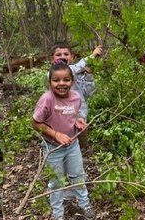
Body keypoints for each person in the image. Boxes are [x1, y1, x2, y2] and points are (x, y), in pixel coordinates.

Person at [32, 62, 93, 220]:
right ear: (50, 82)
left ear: (72, 81)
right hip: (52, 148)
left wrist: (78, 122)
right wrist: (55, 134)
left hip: (72, 145)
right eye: (56, 80)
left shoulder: (76, 97)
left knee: (78, 176)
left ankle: (84, 203)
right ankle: (57, 214)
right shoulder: (46, 99)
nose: (61, 84)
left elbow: (73, 116)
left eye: (66, 80)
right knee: (56, 181)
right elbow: (35, 123)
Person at [50, 42, 101, 121]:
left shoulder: (78, 75)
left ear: (72, 57)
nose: (62, 57)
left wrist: (88, 76)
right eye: (58, 55)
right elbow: (74, 69)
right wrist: (92, 56)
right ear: (52, 59)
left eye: (66, 54)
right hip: (61, 118)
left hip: (80, 117)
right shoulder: (51, 75)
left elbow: (88, 92)